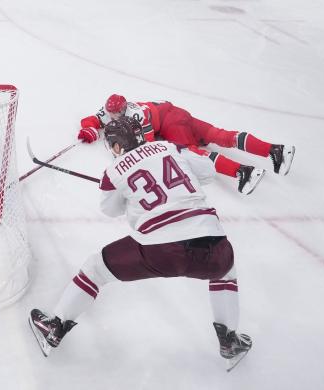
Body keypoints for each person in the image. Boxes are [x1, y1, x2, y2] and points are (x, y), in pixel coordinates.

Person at [30, 117, 252, 370]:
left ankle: (55, 326)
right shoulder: (170, 147)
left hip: (160, 249)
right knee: (226, 272)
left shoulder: (113, 171)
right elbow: (207, 173)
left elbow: (111, 211)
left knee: (95, 268)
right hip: (214, 245)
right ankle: (230, 340)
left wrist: (128, 197)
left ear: (115, 147)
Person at [77, 94, 296, 195]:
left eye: (116, 113)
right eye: (111, 113)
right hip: (177, 112)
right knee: (220, 135)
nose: (112, 116)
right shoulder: (113, 110)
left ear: (124, 109)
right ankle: (275, 150)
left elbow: (147, 147)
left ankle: (244, 172)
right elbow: (93, 120)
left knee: (189, 152)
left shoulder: (137, 116)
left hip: (172, 121)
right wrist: (89, 128)